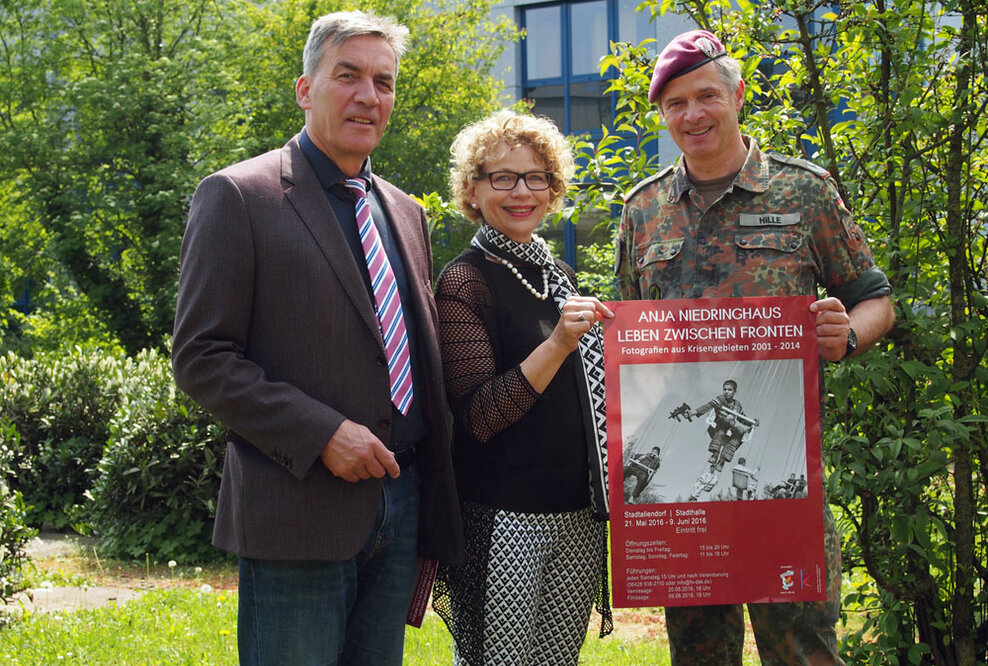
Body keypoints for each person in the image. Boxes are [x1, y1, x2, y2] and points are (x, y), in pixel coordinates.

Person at [171, 11, 462, 665]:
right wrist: (322, 433)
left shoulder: (406, 212)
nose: (369, 96)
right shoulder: (238, 196)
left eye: (383, 82)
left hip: (403, 503)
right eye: (348, 76)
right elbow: (201, 357)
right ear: (305, 88)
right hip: (297, 511)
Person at [616, 29, 896, 665]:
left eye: (707, 96)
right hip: (684, 484)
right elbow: (629, 335)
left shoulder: (804, 191)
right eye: (676, 103)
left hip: (783, 479)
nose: (694, 115)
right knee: (700, 656)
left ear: (739, 96)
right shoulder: (643, 209)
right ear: (662, 114)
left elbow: (875, 297)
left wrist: (847, 333)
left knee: (803, 652)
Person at [431, 109, 614, 665]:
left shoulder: (558, 274)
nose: (521, 192)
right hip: (503, 515)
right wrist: (559, 343)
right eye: (502, 177)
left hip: (576, 513)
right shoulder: (465, 279)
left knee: (557, 661)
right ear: (472, 188)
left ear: (553, 189)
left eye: (537, 177)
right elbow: (479, 415)